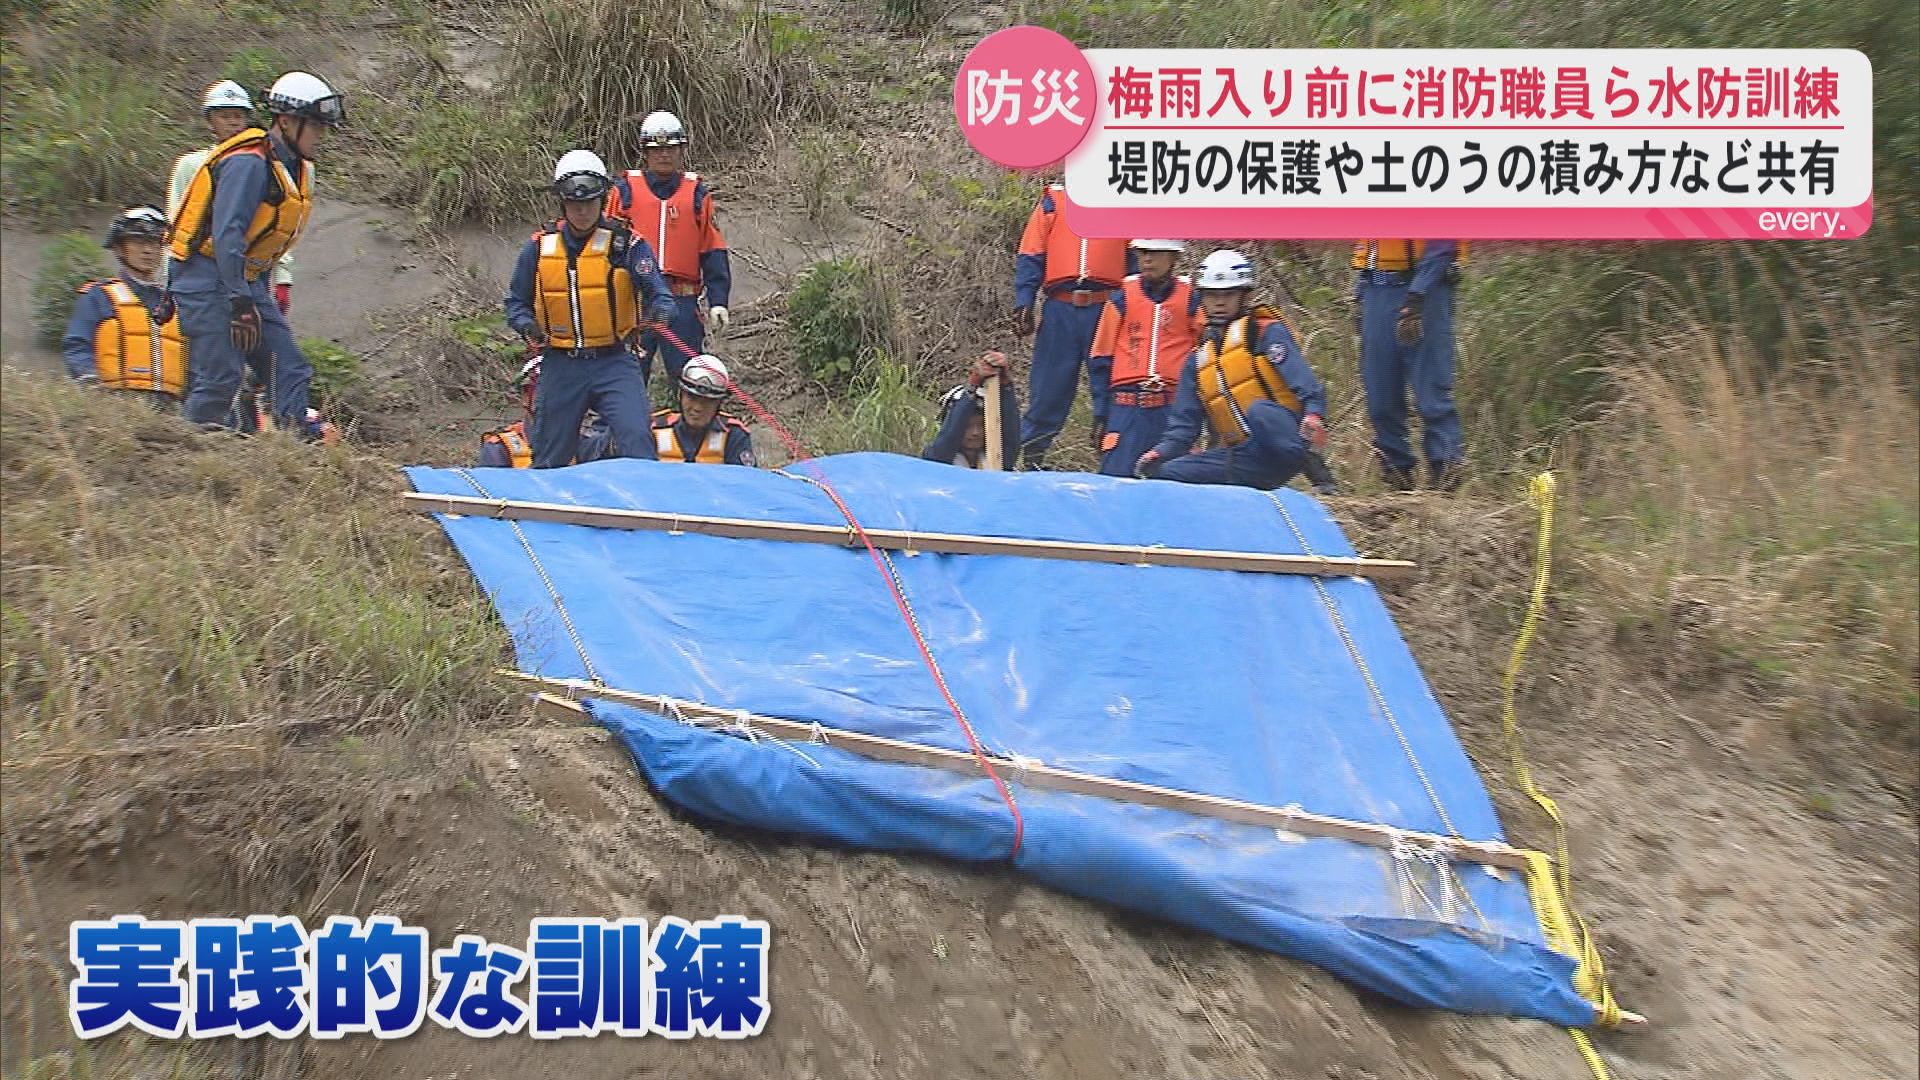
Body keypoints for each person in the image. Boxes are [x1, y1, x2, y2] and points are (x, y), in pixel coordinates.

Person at [167, 71, 342, 435]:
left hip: (243, 282)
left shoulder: (292, 168)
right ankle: (184, 462)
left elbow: (263, 244)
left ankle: (296, 446)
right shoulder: (248, 163)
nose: (321, 136)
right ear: (287, 121)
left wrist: (254, 295)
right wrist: (239, 302)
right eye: (316, 127)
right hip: (207, 279)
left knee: (288, 366)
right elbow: (227, 234)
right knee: (221, 377)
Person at [503, 149, 677, 469]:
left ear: (602, 201)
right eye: (574, 203)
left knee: (637, 439)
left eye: (589, 203)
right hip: (560, 363)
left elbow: (659, 293)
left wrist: (660, 313)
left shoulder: (627, 245)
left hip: (615, 361)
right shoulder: (539, 248)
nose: (582, 211)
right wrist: (527, 325)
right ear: (562, 202)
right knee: (548, 454)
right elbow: (515, 303)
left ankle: (647, 513)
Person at [1135, 250, 1329, 490]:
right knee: (1168, 471)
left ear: (1244, 296)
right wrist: (1159, 453)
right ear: (1202, 299)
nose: (1219, 302)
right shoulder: (1197, 360)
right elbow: (1183, 427)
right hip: (1248, 456)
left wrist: (1314, 416)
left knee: (1260, 411)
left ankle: (1308, 462)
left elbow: (1306, 385)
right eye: (1211, 295)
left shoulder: (1265, 333)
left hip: (1283, 438)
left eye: (1228, 295)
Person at [1011, 180, 1135, 470]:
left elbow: (1137, 261)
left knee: (1110, 388)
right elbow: (1032, 252)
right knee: (1048, 389)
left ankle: (1114, 465)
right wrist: (1024, 298)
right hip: (1060, 310)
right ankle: (1030, 463)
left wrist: (1134, 310)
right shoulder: (1054, 200)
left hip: (1107, 310)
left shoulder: (1124, 198)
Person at [605, 111, 732, 387]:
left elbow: (712, 248)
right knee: (627, 377)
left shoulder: (696, 193)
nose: (664, 155)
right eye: (657, 149)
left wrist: (719, 299)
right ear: (645, 152)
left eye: (671, 148)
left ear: (682, 150)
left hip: (681, 301)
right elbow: (605, 248)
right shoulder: (624, 191)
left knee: (690, 378)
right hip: (635, 300)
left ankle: (688, 428)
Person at [166, 81, 295, 316]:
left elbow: (275, 222)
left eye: (238, 115)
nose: (233, 122)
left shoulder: (263, 166)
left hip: (249, 268)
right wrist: (171, 278)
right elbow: (177, 220)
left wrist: (283, 277)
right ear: (210, 121)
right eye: (224, 116)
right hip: (201, 268)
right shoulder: (192, 165)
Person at [1352, 239, 1468, 491]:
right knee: (1380, 396)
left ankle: (1446, 473)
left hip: (1424, 291)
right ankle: (1397, 476)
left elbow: (1443, 241)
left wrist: (1419, 293)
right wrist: (1360, 297)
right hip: (1376, 289)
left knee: (1431, 392)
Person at [1087, 239, 1201, 477]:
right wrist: (1101, 413)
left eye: (1156, 253)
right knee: (1116, 478)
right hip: (1126, 406)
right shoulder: (1121, 298)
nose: (1147, 260)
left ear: (1173, 258)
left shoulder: (1192, 299)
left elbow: (1207, 353)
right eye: (1142, 253)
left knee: (1176, 479)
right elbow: (1100, 358)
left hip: (1173, 407)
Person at [62, 207, 188, 404]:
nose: (148, 250)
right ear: (120, 248)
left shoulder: (177, 301)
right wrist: (89, 381)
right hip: (116, 403)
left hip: (171, 409)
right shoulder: (99, 295)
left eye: (155, 242)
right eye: (138, 242)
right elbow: (77, 345)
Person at [650, 354, 754, 465]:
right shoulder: (655, 430)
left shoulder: (733, 435)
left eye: (707, 401)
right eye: (691, 397)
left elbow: (745, 479)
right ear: (680, 395)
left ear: (719, 404)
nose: (697, 408)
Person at [922, 351, 1019, 469]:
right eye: (967, 426)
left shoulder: (998, 459)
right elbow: (949, 436)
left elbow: (1011, 432)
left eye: (982, 425)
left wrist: (1005, 386)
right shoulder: (940, 459)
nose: (975, 433)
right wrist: (972, 386)